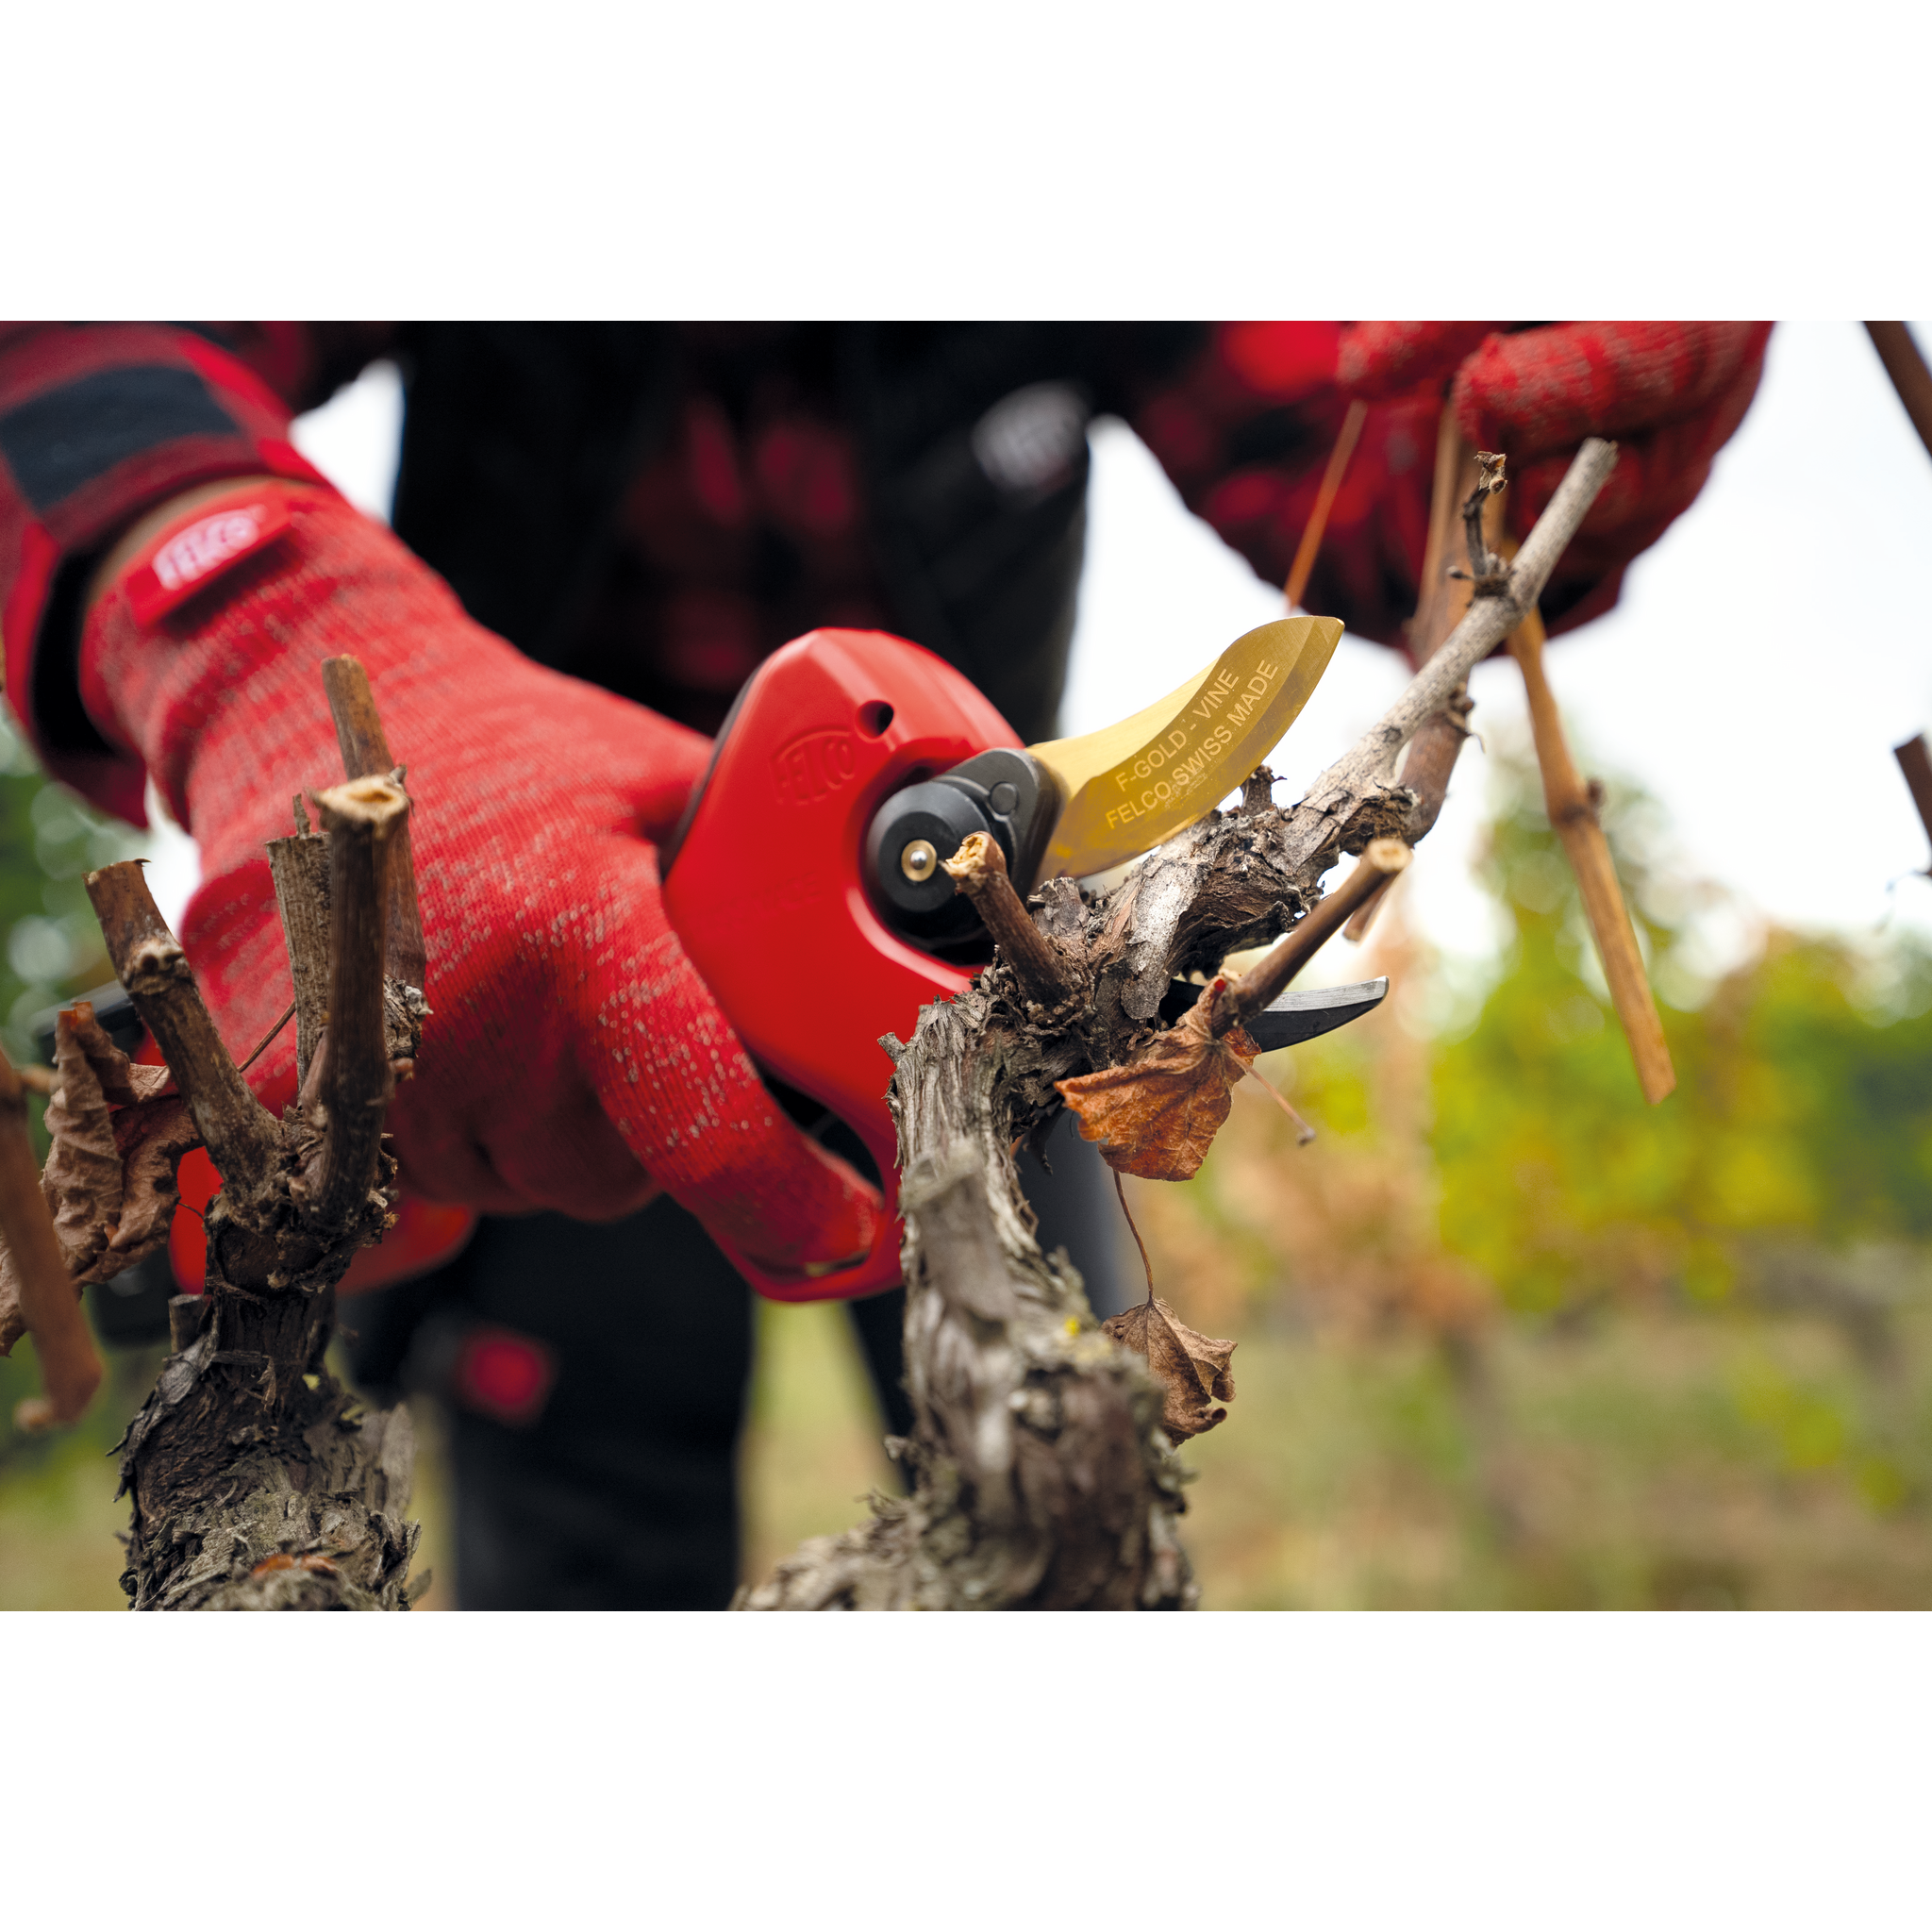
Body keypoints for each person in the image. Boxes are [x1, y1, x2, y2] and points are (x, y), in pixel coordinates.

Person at [0, 319, 1772, 1607]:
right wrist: (257, 617)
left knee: (1070, 1493)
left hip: (976, 979)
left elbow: (1389, 461)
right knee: (589, 1530)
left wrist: (1542, 416)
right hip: (524, 967)